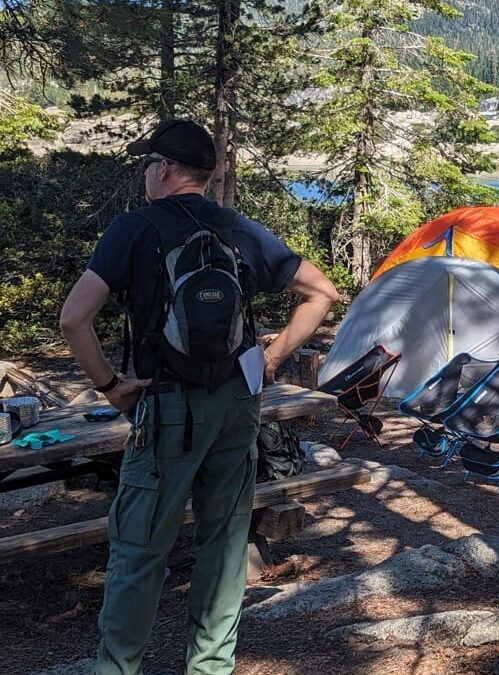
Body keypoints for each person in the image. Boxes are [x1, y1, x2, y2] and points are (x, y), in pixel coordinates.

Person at [59, 119, 340, 675]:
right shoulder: (236, 227)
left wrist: (111, 387)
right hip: (237, 405)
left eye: (148, 163)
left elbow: (73, 319)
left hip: (167, 408)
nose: (146, 172)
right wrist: (272, 356)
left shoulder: (134, 228)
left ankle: (117, 668)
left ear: (164, 168)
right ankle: (211, 666)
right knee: (224, 543)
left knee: (140, 549)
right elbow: (322, 292)